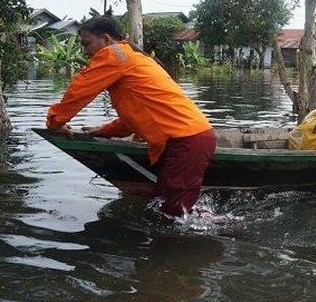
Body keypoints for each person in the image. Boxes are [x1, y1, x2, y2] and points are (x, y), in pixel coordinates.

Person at [45, 16, 216, 217]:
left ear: (106, 39)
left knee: (170, 215)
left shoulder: (113, 54)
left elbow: (80, 90)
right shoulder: (134, 58)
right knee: (166, 210)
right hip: (189, 138)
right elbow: (136, 117)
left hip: (186, 140)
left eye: (87, 43)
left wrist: (55, 122)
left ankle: (226, 229)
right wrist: (104, 131)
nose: (84, 50)